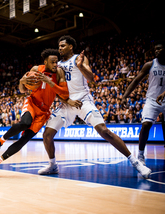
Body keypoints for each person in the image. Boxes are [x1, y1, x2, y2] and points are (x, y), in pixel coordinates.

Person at [39, 35, 151, 179]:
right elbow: (58, 88)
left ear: (71, 46)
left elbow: (91, 78)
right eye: (59, 46)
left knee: (105, 132)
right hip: (67, 103)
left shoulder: (79, 59)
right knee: (47, 135)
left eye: (62, 46)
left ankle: (136, 162)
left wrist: (80, 67)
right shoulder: (58, 64)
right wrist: (66, 101)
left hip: (83, 100)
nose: (59, 48)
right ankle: (52, 165)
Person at [0, 49, 70, 179]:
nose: (55, 64)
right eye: (52, 62)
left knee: (24, 140)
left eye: (56, 62)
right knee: (24, 123)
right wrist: (21, 82)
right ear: (45, 61)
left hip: (44, 112)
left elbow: (63, 92)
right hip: (32, 103)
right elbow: (22, 88)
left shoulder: (58, 73)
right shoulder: (36, 69)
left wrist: (49, 82)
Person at [122, 40, 165, 165]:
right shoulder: (150, 64)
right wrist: (125, 96)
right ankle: (141, 154)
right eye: (155, 49)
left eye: (159, 48)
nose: (156, 51)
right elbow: (136, 81)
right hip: (152, 100)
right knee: (146, 124)